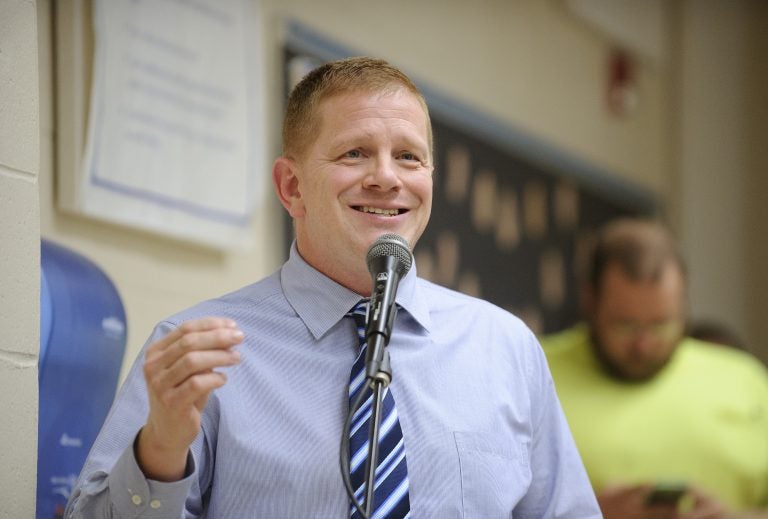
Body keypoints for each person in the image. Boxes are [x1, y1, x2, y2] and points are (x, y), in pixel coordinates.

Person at [64, 57, 600, 518]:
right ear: (291, 186)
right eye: (355, 154)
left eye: (409, 156)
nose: (387, 177)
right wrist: (159, 450)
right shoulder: (195, 351)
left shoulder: (505, 347)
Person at [541, 218, 768, 519]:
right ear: (589, 301)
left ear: (684, 305)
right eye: (625, 326)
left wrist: (733, 517)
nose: (643, 345)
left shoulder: (745, 380)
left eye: (661, 325)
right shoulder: (535, 369)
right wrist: (584, 513)